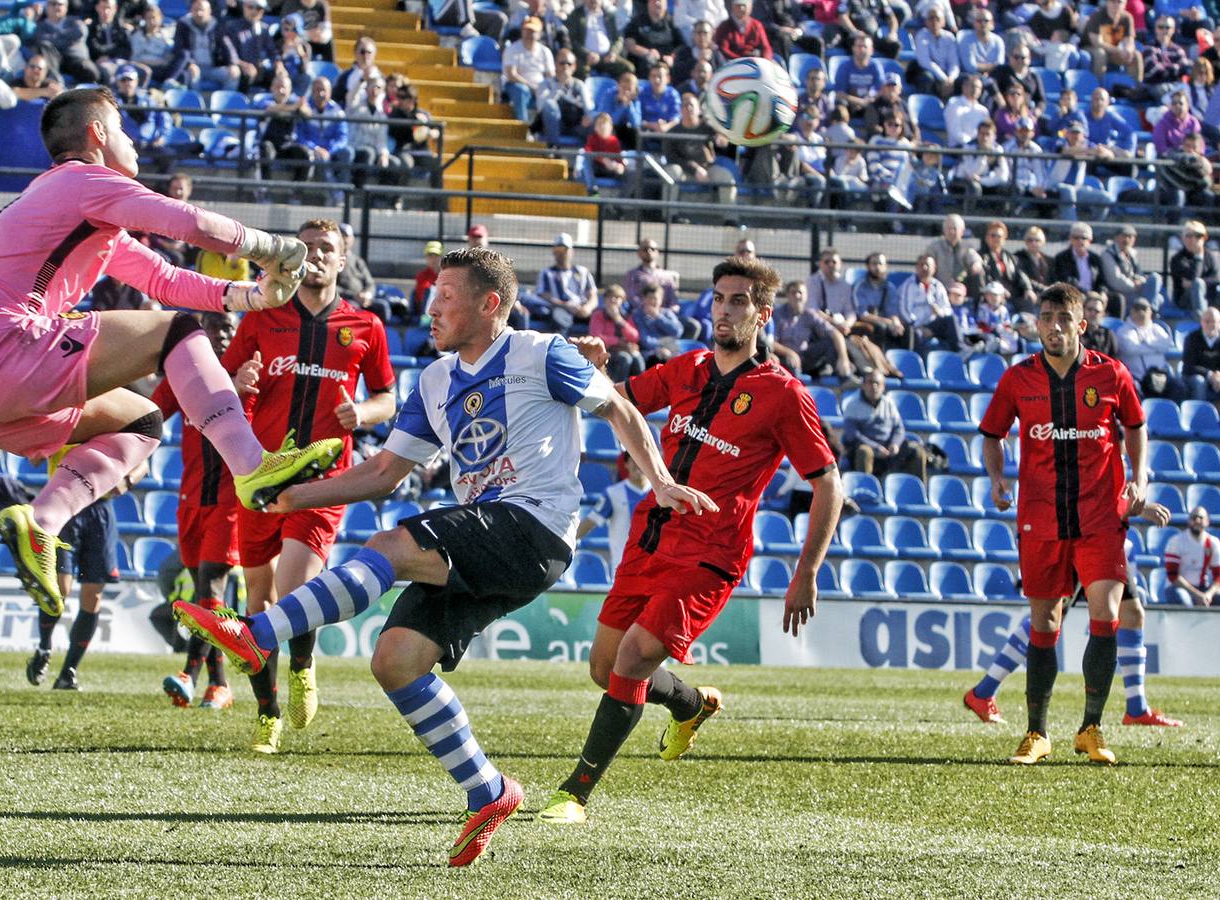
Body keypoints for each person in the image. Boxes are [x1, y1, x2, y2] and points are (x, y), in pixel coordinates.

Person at [174, 247, 715, 865]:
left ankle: (260, 634)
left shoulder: (542, 354)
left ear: (490, 305)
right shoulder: (432, 381)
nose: (430, 309)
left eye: (446, 297)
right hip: (485, 538)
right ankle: (487, 790)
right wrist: (292, 494)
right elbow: (382, 472)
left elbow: (617, 407)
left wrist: (662, 481)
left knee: (389, 546)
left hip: (532, 527)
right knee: (396, 661)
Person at [0, 87, 343, 617]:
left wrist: (251, 296)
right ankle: (252, 465)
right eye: (124, 130)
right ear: (97, 135)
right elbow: (189, 224)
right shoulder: (86, 183)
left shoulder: (69, 202)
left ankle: (43, 523)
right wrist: (272, 247)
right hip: (0, 351)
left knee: (143, 421)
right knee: (175, 332)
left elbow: (162, 277)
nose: (135, 143)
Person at [534, 254, 841, 824]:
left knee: (629, 661)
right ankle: (692, 705)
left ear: (763, 315)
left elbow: (829, 486)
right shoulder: (689, 367)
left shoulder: (784, 394)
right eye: (719, 298)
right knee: (606, 670)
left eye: (739, 301)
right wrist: (593, 367)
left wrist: (807, 573)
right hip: (650, 540)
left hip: (708, 555)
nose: (723, 310)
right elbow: (618, 401)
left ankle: (574, 793)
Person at [219, 219, 395, 753]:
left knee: (294, 589)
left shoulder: (365, 325)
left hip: (324, 481)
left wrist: (362, 412)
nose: (317, 256)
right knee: (257, 595)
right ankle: (267, 710)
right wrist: (236, 382)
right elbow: (219, 384)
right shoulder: (263, 319)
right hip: (259, 475)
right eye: (309, 248)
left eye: (328, 249)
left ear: (343, 260)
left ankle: (303, 662)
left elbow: (388, 398)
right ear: (294, 258)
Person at [971, 283, 1149, 766]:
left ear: (1081, 324)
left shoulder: (1111, 374)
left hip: (1099, 516)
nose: (1052, 326)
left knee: (1105, 614)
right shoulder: (1018, 379)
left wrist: (1140, 477)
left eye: (1062, 318)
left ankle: (1091, 729)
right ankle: (1037, 734)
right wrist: (996, 479)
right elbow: (991, 434)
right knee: (1044, 623)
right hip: (1041, 517)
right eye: (1045, 317)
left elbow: (1135, 426)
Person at [156, 311, 244, 711]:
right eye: (215, 326)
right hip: (191, 500)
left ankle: (189, 673)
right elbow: (151, 413)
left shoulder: (249, 376)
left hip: (229, 502)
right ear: (202, 333)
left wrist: (241, 391)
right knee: (208, 600)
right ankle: (221, 685)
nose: (223, 333)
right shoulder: (185, 377)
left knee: (210, 588)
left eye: (230, 327)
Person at [25, 454, 141, 691]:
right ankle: (44, 647)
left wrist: (127, 481)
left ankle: (69, 671)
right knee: (59, 588)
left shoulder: (117, 422)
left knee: (93, 595)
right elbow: (34, 456)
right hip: (65, 504)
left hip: (100, 509)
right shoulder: (65, 417)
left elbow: (143, 461)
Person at [843, 369, 926, 481]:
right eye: (870, 382)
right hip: (867, 449)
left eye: (877, 383)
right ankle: (866, 489)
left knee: (916, 450)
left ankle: (917, 491)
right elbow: (852, 435)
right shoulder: (852, 405)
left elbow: (899, 429)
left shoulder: (889, 403)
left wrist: (895, 444)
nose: (874, 386)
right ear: (863, 385)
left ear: (883, 386)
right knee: (864, 451)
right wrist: (876, 448)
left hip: (888, 450)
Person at [773, 279, 858, 382]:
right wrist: (789, 353)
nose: (797, 296)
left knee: (829, 342)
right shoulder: (777, 314)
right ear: (787, 295)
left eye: (800, 292)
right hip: (785, 356)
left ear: (806, 295)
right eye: (793, 292)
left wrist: (843, 359)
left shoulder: (810, 314)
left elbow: (835, 333)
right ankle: (796, 386)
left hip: (805, 355)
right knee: (789, 362)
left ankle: (845, 377)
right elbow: (771, 342)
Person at [1163, 506, 1220, 607]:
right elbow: (1173, 576)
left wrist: (1209, 594)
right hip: (1178, 588)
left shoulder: (1213, 543)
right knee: (1185, 602)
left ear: (1207, 521)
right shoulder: (1176, 542)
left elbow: (1219, 576)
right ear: (1189, 521)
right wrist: (1196, 595)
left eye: (1200, 518)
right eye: (1194, 518)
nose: (1197, 521)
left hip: (1204, 589)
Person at [1181, 307, 1220, 403]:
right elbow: (1189, 366)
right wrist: (1210, 375)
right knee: (1200, 382)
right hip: (1196, 376)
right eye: (1207, 321)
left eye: (1214, 321)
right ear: (1201, 322)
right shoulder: (1192, 338)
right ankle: (1201, 413)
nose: (1210, 325)